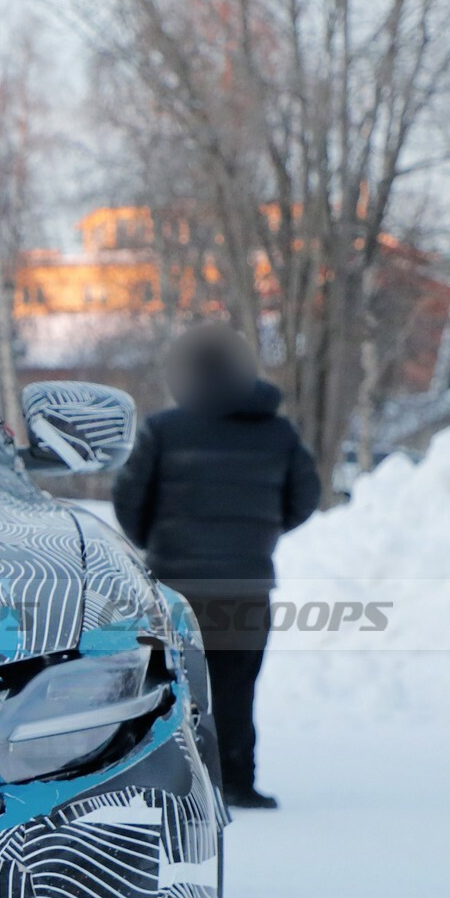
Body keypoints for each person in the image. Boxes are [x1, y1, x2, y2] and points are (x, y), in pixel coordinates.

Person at [111, 327, 320, 810]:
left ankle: (170, 781)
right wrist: (259, 533)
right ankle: (236, 780)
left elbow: (128, 497)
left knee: (168, 681)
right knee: (236, 683)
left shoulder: (164, 429)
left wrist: (153, 543)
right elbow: (305, 497)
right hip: (245, 586)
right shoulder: (279, 433)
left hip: (174, 585)